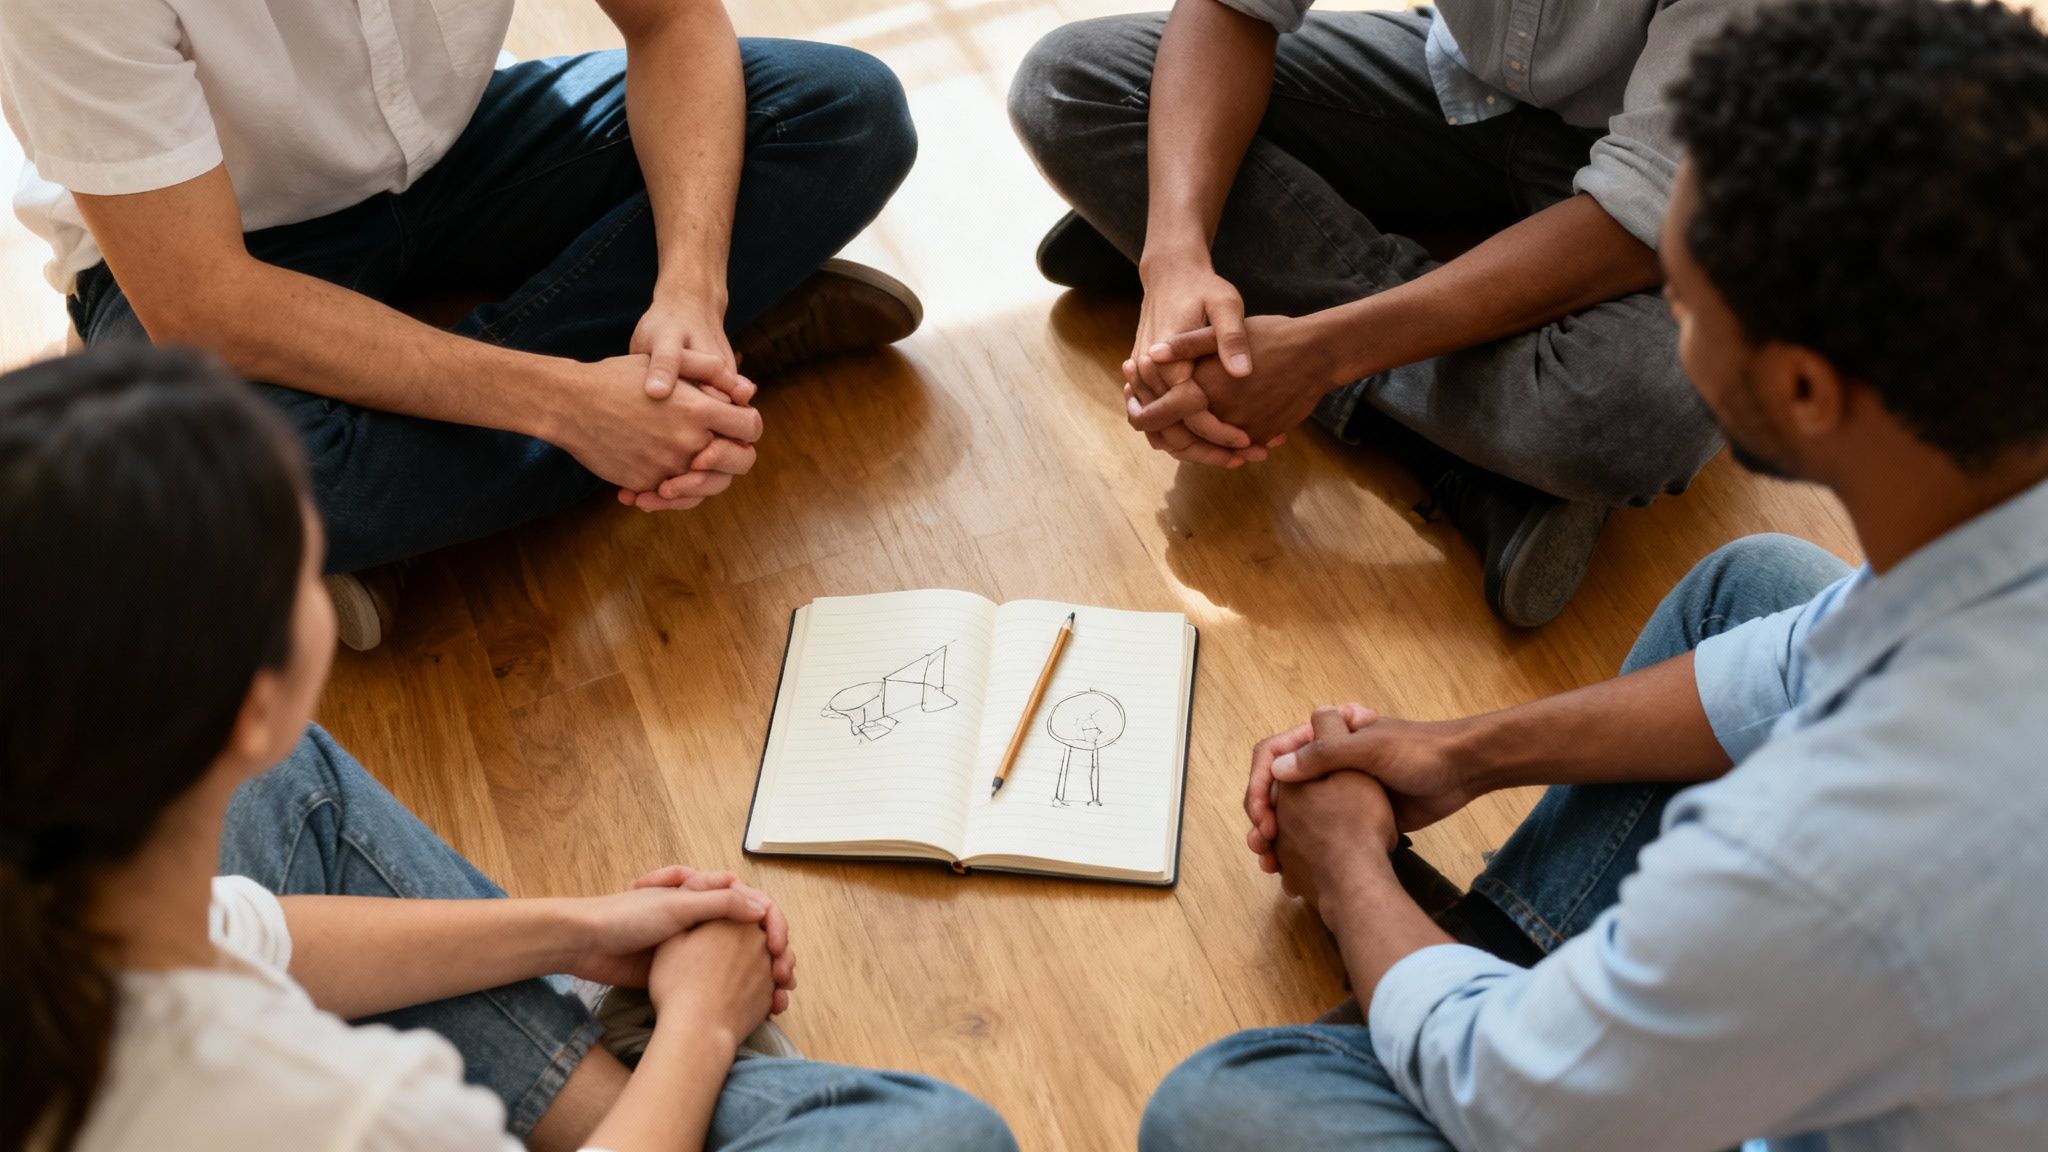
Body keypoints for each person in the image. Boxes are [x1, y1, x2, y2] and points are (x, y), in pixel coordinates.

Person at [1141, 0, 2048, 1147]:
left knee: (1224, 1110)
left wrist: (1346, 871)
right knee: (1759, 583)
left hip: (1670, 1065)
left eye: (1685, 269)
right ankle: (1544, 990)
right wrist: (1455, 751)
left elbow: (1511, 1098)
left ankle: (1513, 1003)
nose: (1665, 280)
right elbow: (1796, 661)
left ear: (1806, 391)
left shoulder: (1815, 854)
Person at [0, 345, 1016, 1152]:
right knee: (938, 1135)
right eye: (308, 576)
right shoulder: (349, 1112)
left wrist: (578, 929)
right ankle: (649, 1095)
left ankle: (622, 1086)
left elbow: (243, 933)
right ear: (247, 703)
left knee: (279, 789)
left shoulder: (71, 902)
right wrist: (703, 1028)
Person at [0, 0, 922, 649]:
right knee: (237, 490)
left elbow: (674, 19)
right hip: (218, 245)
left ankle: (439, 498)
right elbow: (208, 306)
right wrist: (569, 405)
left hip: (454, 156)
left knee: (845, 112)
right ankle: (707, 380)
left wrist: (692, 293)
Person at [1008, 0, 1769, 627]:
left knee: (1639, 408)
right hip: (1465, 91)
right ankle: (1460, 454)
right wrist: (1173, 255)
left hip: (1692, 187)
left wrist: (1322, 355)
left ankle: (1263, 242)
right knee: (1068, 84)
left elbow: (1650, 210)